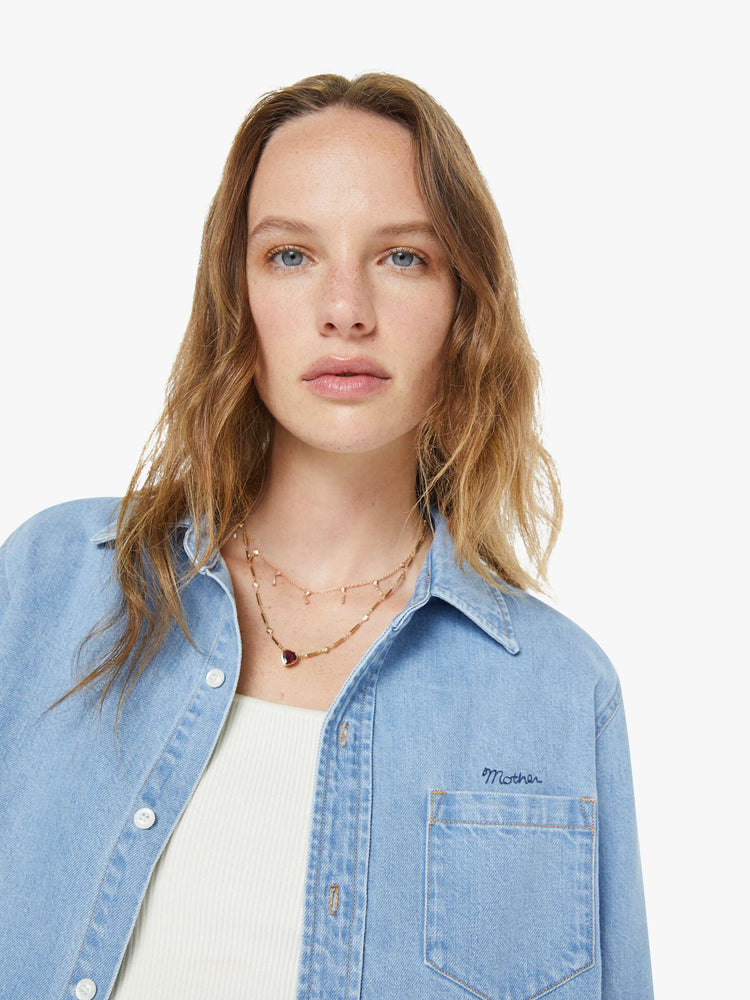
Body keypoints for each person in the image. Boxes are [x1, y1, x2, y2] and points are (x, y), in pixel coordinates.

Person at [0, 73, 653, 999]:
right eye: (292, 256)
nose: (345, 308)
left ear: (464, 307)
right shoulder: (48, 587)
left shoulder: (554, 691)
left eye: (403, 258)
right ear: (238, 296)